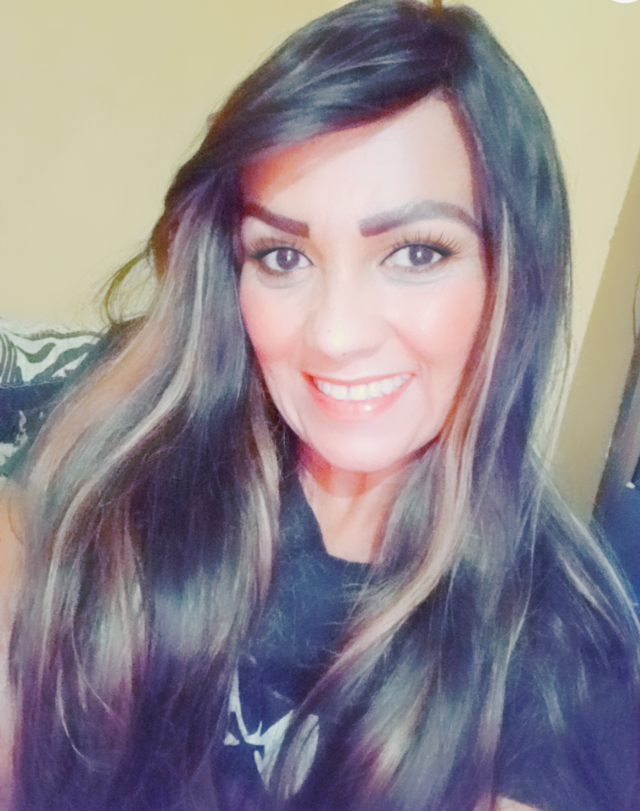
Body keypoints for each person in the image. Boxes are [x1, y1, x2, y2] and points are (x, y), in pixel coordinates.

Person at [0, 1, 638, 809]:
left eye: (416, 252)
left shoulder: (564, 660)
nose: (334, 336)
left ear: (511, 277)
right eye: (282, 255)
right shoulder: (137, 429)